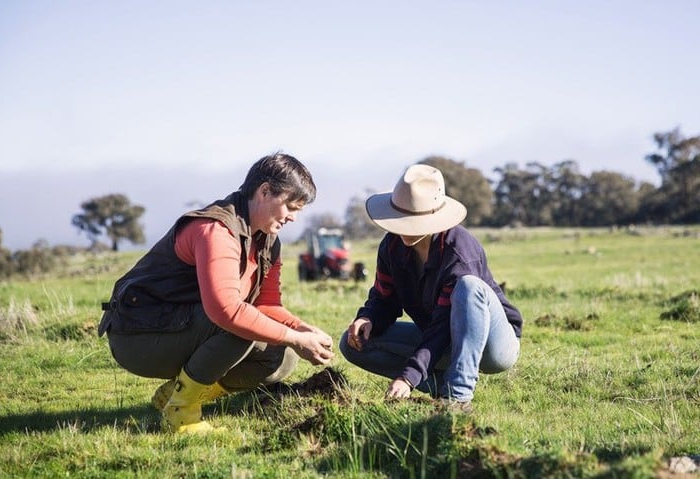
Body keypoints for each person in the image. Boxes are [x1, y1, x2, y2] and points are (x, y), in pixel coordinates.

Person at [99, 152, 334, 433]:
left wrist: (301, 330)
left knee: (282, 354)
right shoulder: (215, 230)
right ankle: (181, 413)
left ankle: (178, 392)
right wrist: (295, 336)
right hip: (137, 337)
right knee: (241, 326)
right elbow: (226, 311)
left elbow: (266, 304)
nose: (294, 218)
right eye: (291, 207)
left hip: (182, 325)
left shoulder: (269, 241)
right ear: (265, 191)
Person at [339, 164, 522, 411]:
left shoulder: (459, 253)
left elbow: (442, 328)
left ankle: (457, 398)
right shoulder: (391, 246)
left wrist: (408, 377)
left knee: (468, 287)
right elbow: (385, 298)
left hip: (494, 344)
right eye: (400, 220)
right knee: (351, 344)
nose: (404, 229)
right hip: (438, 334)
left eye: (413, 221)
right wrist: (368, 318)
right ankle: (441, 386)